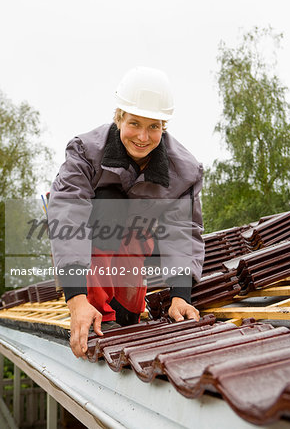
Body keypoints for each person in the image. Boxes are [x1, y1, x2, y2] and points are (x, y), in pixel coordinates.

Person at [48, 66, 205, 359]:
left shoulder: (184, 171)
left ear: (164, 126)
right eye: (134, 123)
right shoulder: (85, 153)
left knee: (134, 220)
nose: (143, 137)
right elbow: (68, 215)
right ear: (119, 117)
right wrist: (76, 301)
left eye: (154, 126)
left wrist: (180, 297)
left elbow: (182, 231)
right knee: (108, 205)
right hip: (90, 241)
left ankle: (126, 308)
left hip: (140, 242)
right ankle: (99, 311)